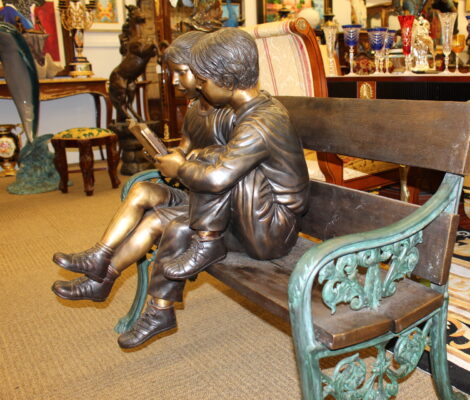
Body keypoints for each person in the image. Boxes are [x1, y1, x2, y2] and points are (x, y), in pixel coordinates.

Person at [116, 27, 310, 349]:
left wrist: (181, 166)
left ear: (226, 79)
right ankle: (160, 310)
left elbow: (219, 179)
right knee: (179, 227)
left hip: (273, 231)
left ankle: (208, 242)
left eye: (204, 81)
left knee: (219, 167)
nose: (200, 89)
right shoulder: (246, 113)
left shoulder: (262, 120)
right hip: (249, 220)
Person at [51, 30, 232, 302]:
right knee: (140, 189)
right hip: (194, 190)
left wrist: (185, 162)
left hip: (215, 205)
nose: (174, 80)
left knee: (151, 220)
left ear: (202, 69)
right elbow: (184, 148)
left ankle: (102, 278)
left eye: (180, 72)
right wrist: (165, 155)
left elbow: (228, 165)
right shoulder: (195, 110)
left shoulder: (229, 111)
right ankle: (99, 256)